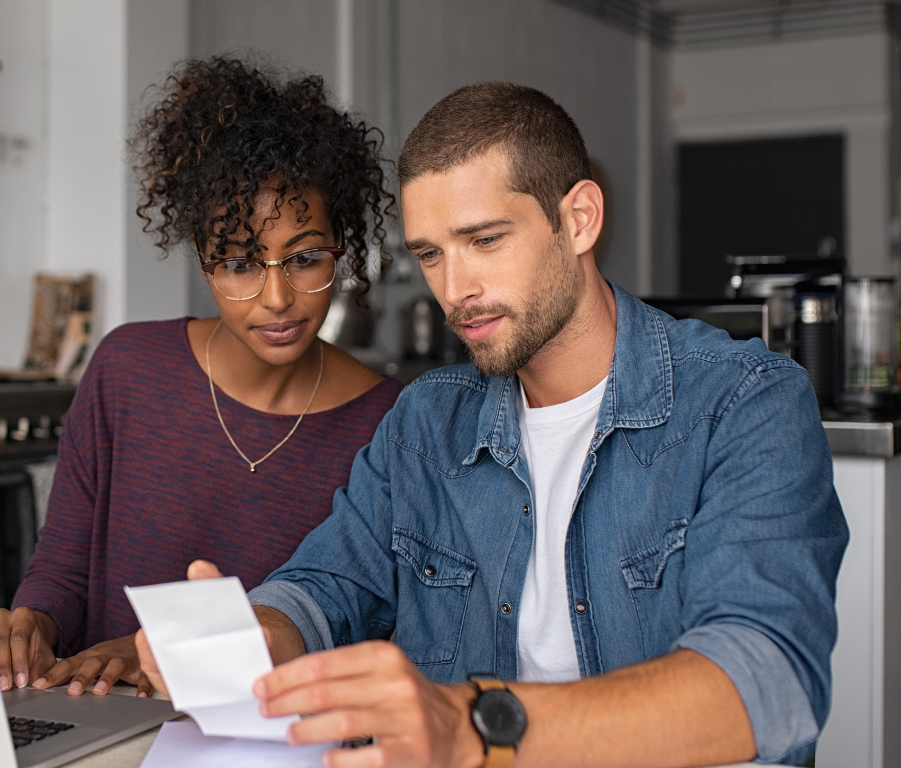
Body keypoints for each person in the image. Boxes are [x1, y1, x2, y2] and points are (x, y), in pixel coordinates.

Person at [139, 82, 848, 767]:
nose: (455, 290)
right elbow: (327, 587)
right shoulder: (426, 420)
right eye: (431, 254)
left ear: (579, 220)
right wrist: (254, 636)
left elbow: (766, 680)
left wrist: (476, 727)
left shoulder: (747, 403)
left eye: (484, 240)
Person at [0, 57, 403, 699]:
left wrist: (157, 653)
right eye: (239, 263)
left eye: (305, 258)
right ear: (204, 263)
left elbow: (359, 629)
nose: (276, 297)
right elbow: (64, 572)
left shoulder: (387, 424)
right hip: (101, 725)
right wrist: (32, 624)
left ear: (341, 250)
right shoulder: (125, 370)